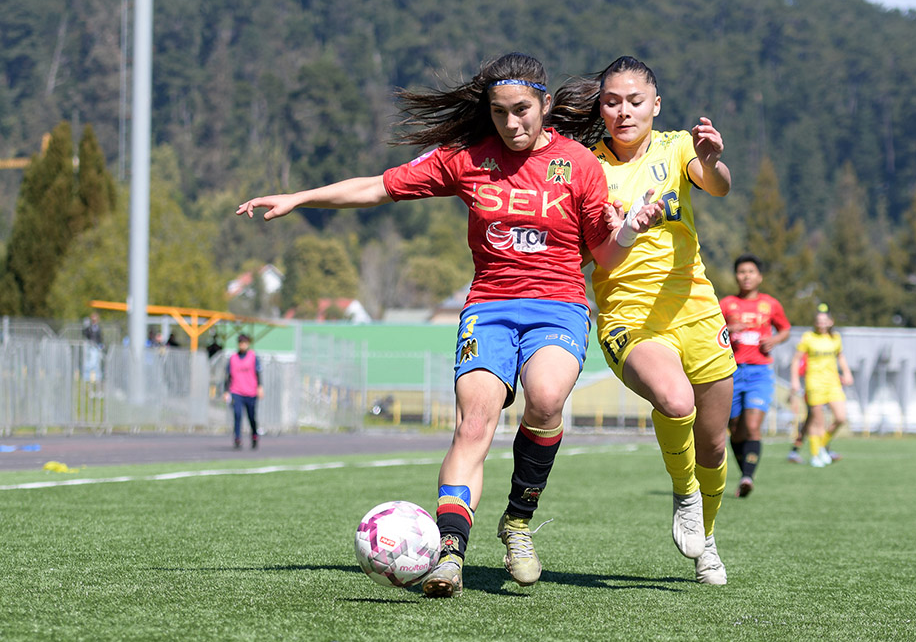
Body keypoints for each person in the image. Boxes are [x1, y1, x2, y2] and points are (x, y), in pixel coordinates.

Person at [236, 52, 661, 598]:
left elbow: (603, 255)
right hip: (489, 306)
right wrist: (301, 197)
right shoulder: (466, 159)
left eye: (523, 111)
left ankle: (518, 521)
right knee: (473, 426)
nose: (512, 124)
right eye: (501, 112)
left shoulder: (579, 164)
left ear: (546, 105)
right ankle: (449, 555)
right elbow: (377, 187)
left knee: (547, 397)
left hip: (558, 305)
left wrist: (630, 231)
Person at [552, 56, 735, 584]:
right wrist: (616, 232)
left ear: (656, 104)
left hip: (696, 308)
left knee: (715, 443)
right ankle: (684, 494)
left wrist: (714, 159)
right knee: (675, 400)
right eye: (612, 102)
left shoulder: (679, 146)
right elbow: (582, 255)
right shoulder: (585, 166)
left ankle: (708, 542)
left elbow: (717, 185)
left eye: (635, 101)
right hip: (628, 315)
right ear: (600, 108)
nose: (624, 111)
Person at [720, 253, 791, 497]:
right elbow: (711, 330)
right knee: (735, 427)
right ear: (736, 276)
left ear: (759, 276)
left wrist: (774, 339)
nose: (746, 276)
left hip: (759, 372)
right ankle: (745, 475)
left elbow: (785, 329)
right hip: (730, 372)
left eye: (751, 271)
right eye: (741, 272)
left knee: (752, 426)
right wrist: (727, 328)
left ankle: (748, 476)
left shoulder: (770, 304)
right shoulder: (726, 303)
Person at [789, 305, 854, 467]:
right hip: (814, 383)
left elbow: (840, 356)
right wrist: (795, 380)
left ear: (831, 322)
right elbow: (796, 360)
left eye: (825, 321)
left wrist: (847, 372)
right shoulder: (808, 337)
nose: (822, 324)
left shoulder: (835, 338)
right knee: (817, 421)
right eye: (819, 321)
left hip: (833, 383)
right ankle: (815, 454)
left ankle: (823, 445)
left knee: (841, 417)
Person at [224, 334, 264, 450]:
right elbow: (228, 376)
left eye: (244, 343)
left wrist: (260, 387)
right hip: (236, 391)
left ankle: (254, 435)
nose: (242, 345)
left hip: (251, 391)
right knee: (237, 414)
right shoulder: (233, 358)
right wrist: (226, 391)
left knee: (251, 416)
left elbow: (258, 373)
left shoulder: (253, 356)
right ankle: (237, 438)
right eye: (240, 343)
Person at [82, 311, 104, 382]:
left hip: (96, 346)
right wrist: (86, 327)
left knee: (95, 362)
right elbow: (85, 334)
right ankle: (86, 377)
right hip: (89, 346)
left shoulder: (98, 328)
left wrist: (100, 344)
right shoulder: (89, 328)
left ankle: (97, 378)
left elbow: (100, 337)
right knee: (88, 362)